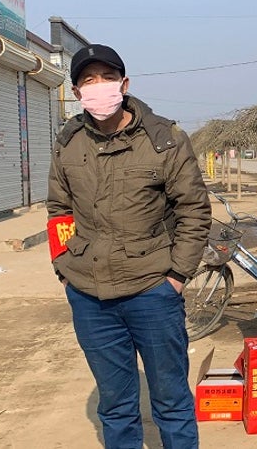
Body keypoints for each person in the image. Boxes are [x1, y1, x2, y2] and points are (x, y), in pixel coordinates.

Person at [48, 44, 211, 448]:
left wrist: (176, 276)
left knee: (170, 400)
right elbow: (59, 210)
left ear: (124, 84)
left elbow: (193, 211)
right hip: (90, 296)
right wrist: (65, 269)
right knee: (116, 406)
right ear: (75, 90)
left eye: (106, 77)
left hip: (152, 290)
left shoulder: (164, 139)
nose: (97, 86)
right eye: (88, 80)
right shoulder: (68, 142)